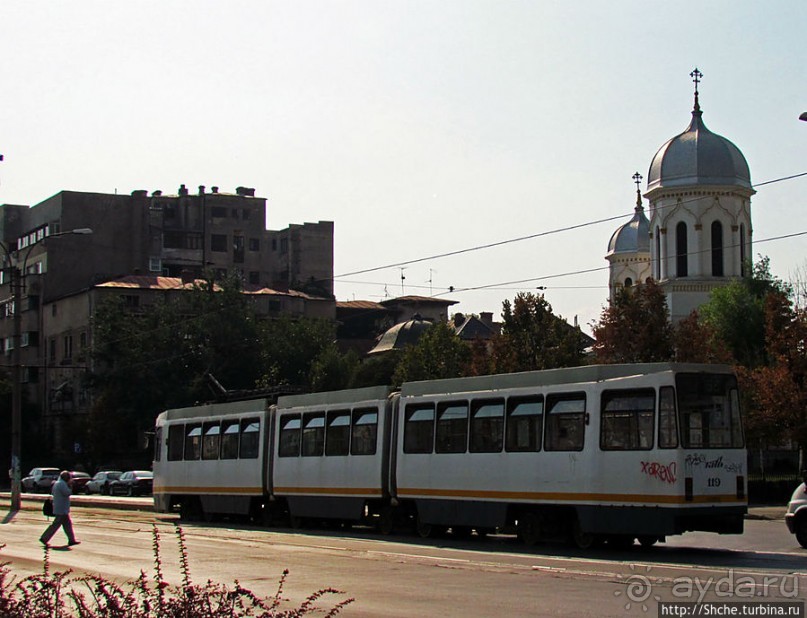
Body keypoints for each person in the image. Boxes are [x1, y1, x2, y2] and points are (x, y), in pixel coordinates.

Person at [40, 470, 80, 547]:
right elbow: (67, 493)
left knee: (67, 524)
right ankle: (44, 538)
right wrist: (70, 486)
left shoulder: (57, 483)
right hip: (61, 509)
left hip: (61, 508)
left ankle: (71, 540)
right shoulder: (62, 484)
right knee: (55, 525)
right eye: (69, 477)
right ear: (66, 477)